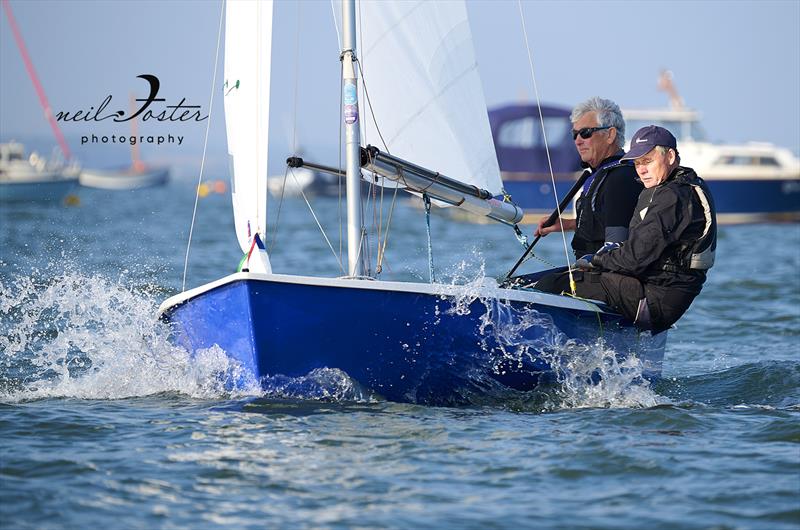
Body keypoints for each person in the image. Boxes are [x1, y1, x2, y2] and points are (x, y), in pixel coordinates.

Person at [537, 125, 717, 334]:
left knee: (552, 283)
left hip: (655, 300)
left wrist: (595, 260)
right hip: (656, 290)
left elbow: (634, 259)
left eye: (648, 161)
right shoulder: (681, 185)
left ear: (669, 156)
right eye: (638, 163)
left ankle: (546, 350)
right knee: (557, 276)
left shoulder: (672, 197)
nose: (641, 169)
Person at [535, 97, 642, 258]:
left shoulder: (620, 178)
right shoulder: (602, 174)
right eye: (574, 134)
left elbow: (616, 246)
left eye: (585, 133)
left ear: (610, 135)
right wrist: (568, 224)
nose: (578, 141)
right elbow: (604, 222)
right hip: (591, 268)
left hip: (605, 274)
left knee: (522, 284)